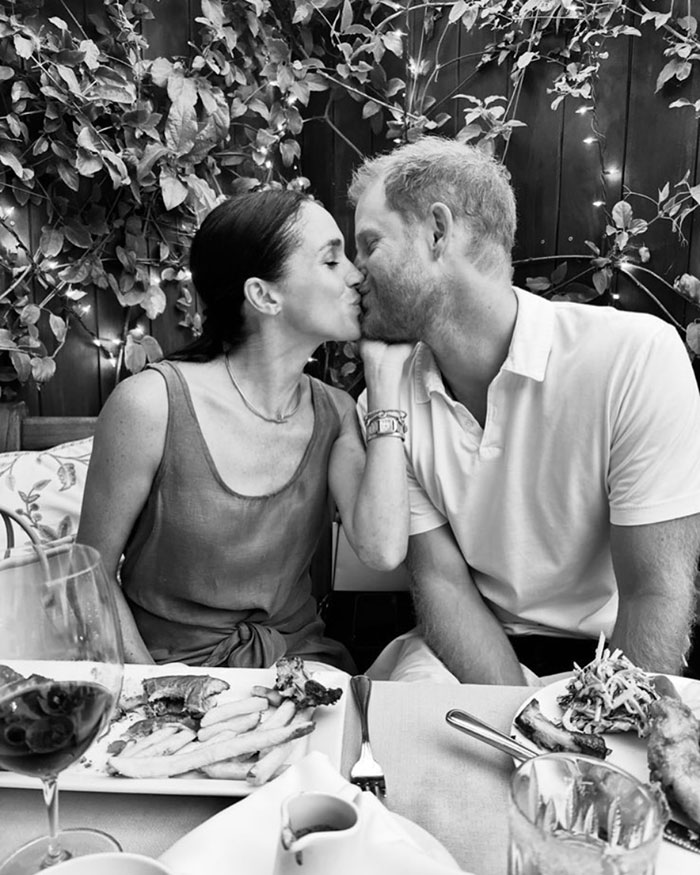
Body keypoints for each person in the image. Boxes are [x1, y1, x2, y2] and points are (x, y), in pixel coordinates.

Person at [348, 136, 700, 684]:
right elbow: (442, 586)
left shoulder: (632, 357)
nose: (354, 271)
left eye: (369, 244)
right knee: (406, 730)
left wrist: (601, 739)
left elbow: (656, 590)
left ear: (438, 233)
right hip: (472, 655)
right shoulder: (385, 404)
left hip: (612, 659)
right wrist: (523, 727)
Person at [78, 189, 411, 672]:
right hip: (164, 677)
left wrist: (384, 385)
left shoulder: (336, 414)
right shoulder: (150, 405)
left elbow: (382, 549)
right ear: (264, 295)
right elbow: (90, 576)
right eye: (331, 261)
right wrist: (155, 693)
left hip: (297, 672)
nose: (357, 276)